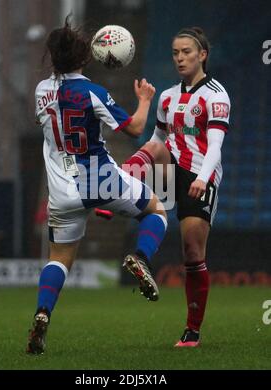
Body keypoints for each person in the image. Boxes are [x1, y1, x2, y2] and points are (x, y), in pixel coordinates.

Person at [26, 17, 168, 355]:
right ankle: (140, 257)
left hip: (60, 191)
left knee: (59, 259)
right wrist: (145, 99)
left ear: (52, 56)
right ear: (83, 57)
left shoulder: (41, 91)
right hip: (100, 178)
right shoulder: (93, 92)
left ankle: (43, 314)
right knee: (156, 210)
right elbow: (133, 129)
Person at [98, 27, 230, 347]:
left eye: (186, 52)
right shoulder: (168, 97)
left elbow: (215, 145)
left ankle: (192, 330)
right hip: (172, 169)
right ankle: (113, 191)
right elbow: (157, 140)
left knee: (192, 253)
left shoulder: (216, 95)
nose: (180, 58)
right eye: (175, 53)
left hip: (201, 175)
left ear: (202, 55)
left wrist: (202, 178)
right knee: (156, 146)